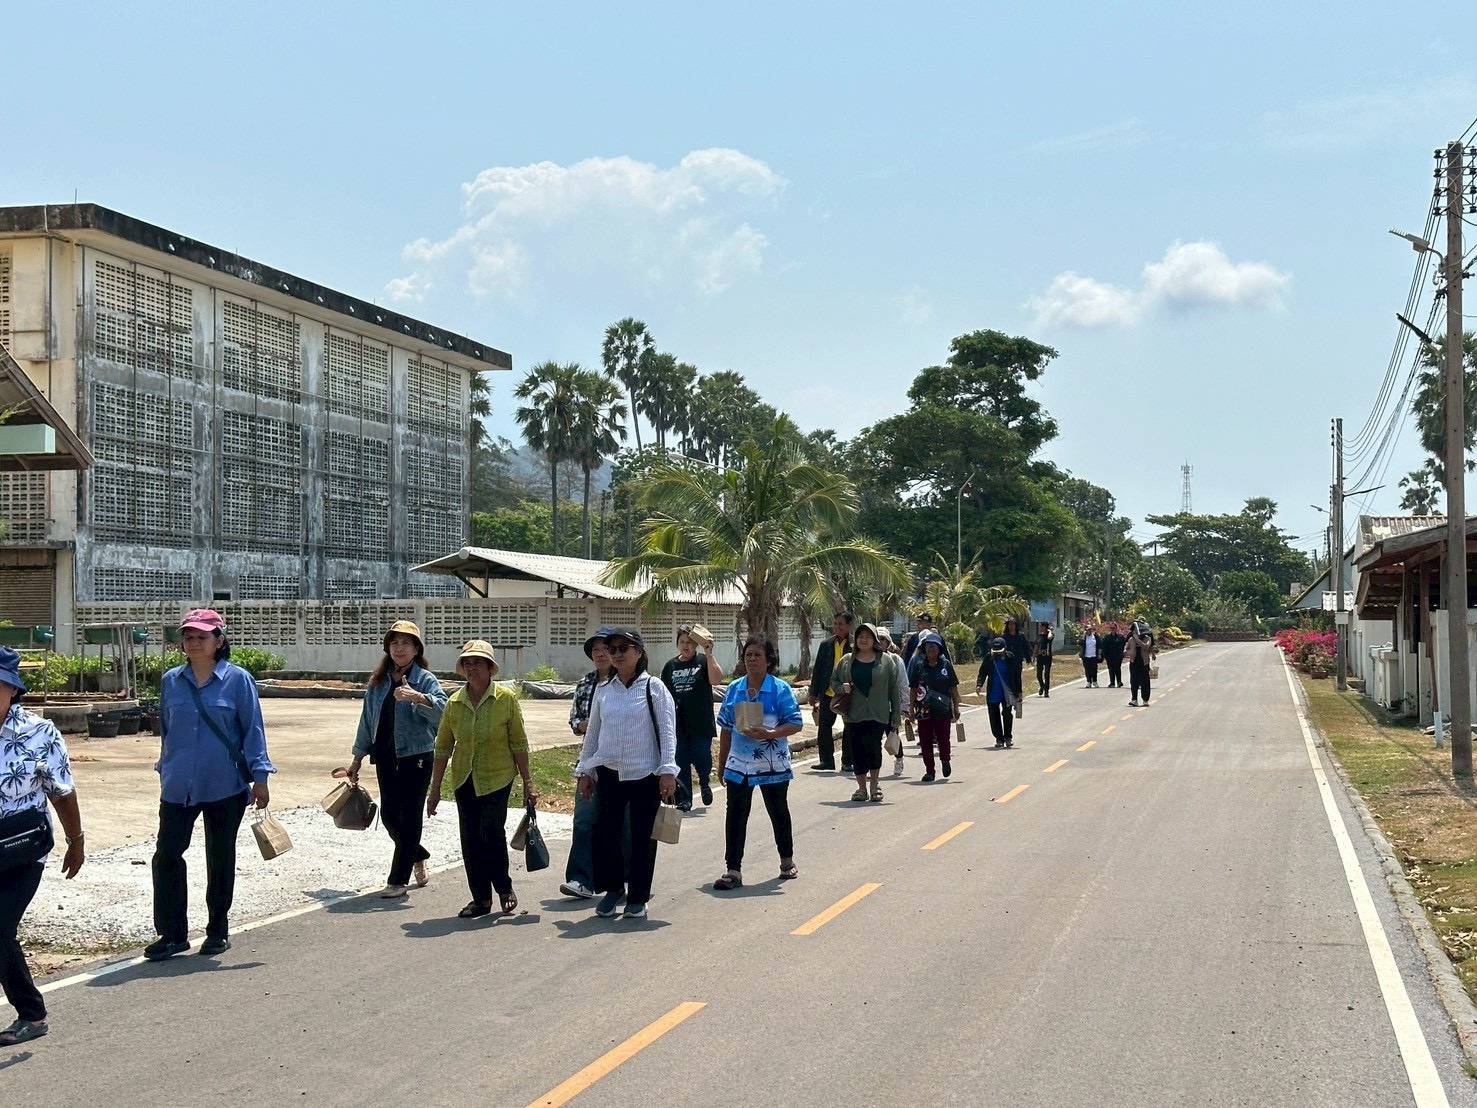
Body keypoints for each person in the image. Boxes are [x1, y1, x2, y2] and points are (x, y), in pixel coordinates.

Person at [148, 609, 274, 961]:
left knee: (219, 858)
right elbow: (167, 730)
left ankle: (217, 928)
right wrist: (164, 767)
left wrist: (260, 778)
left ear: (219, 640)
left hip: (225, 785)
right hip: (177, 785)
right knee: (167, 855)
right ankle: (172, 934)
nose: (193, 642)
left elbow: (253, 730)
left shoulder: (238, 680)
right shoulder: (171, 680)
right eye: (188, 636)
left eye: (202, 636)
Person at [0, 647, 84, 1047]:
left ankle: (31, 1014)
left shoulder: (39, 732)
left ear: (12, 690)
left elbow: (62, 792)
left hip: (21, 852)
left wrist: (76, 840)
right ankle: (31, 1012)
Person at [428, 640, 535, 920]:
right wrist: (435, 789)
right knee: (470, 839)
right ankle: (481, 899)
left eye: (478, 662)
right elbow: (442, 747)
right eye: (467, 662)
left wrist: (528, 783)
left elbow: (519, 744)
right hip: (465, 778)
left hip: (498, 777)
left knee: (491, 832)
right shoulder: (454, 702)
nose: (472, 667)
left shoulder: (506, 700)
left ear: (490, 668)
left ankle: (503, 887)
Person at [576, 628, 677, 920]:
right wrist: (586, 771)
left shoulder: (654, 687)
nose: (617, 654)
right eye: (613, 649)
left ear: (638, 652)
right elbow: (593, 734)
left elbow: (668, 732)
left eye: (623, 648)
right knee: (607, 833)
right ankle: (612, 890)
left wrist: (668, 771)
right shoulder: (604, 691)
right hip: (609, 773)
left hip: (645, 774)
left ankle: (638, 897)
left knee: (642, 837)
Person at [346, 620, 447, 898]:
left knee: (411, 816)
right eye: (394, 642)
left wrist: (418, 698)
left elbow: (443, 712)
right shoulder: (378, 682)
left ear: (416, 649)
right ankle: (418, 852)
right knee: (390, 815)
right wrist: (357, 758)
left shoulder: (425, 679)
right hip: (387, 756)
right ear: (387, 648)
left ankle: (398, 881)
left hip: (417, 756)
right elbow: (367, 720)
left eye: (406, 643)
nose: (399, 648)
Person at [712, 636, 804, 889]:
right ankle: (733, 870)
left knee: (778, 812)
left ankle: (787, 861)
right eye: (748, 655)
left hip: (772, 765)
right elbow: (727, 729)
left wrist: (771, 734)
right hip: (739, 765)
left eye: (757, 655)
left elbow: (796, 723)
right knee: (736, 816)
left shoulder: (780, 689)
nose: (751, 659)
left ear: (768, 660)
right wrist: (722, 763)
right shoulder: (734, 689)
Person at [561, 628, 617, 899]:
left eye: (605, 648)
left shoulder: (628, 683)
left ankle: (622, 879)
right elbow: (574, 720)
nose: (600, 654)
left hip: (621, 764)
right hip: (589, 762)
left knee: (619, 823)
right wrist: (582, 724)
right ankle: (579, 879)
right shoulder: (585, 683)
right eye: (595, 650)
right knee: (583, 820)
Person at [834, 624, 903, 803]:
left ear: (874, 640)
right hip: (853, 714)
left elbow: (894, 690)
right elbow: (833, 682)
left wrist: (896, 716)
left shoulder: (886, 661)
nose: (863, 640)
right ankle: (861, 788)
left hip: (878, 713)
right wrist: (842, 687)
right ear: (855, 639)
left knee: (874, 749)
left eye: (868, 636)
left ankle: (874, 787)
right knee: (857, 751)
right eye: (860, 636)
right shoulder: (847, 660)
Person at [661, 623, 725, 812]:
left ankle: (704, 782)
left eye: (689, 642)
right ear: (677, 644)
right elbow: (662, 694)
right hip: (677, 725)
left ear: (696, 645)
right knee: (680, 761)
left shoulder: (703, 662)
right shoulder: (670, 666)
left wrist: (709, 654)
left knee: (701, 757)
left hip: (701, 723)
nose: (685, 646)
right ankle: (685, 799)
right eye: (682, 642)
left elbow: (716, 680)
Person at [909, 633, 961, 782]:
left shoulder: (946, 666)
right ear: (924, 648)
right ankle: (929, 771)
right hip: (923, 710)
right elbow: (912, 688)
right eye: (928, 645)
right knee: (925, 741)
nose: (931, 648)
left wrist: (956, 707)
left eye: (934, 645)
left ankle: (945, 760)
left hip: (943, 710)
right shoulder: (918, 666)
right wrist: (911, 708)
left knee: (943, 738)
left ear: (939, 648)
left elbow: (953, 688)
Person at [808, 612, 854, 772]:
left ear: (849, 626)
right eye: (835, 623)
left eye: (840, 624)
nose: (837, 627)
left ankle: (847, 761)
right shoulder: (826, 644)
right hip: (828, 692)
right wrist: (812, 693)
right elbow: (818, 670)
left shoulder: (856, 644)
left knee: (849, 727)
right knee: (824, 726)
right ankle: (826, 760)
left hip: (849, 693)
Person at [876, 627, 910, 776]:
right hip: (873, 707)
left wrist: (905, 706)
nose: (880, 642)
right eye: (877, 639)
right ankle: (874, 767)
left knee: (892, 735)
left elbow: (903, 684)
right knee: (873, 739)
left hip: (891, 706)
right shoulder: (866, 659)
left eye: (883, 639)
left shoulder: (896, 660)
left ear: (888, 642)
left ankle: (899, 759)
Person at [978, 636, 1020, 748]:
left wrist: (1019, 692)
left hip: (1007, 692)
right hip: (993, 691)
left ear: (1005, 649)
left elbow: (1016, 675)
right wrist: (979, 684)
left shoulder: (1010, 657)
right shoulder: (989, 658)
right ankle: (999, 738)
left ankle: (1008, 737)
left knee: (1007, 714)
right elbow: (982, 672)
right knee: (993, 715)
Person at [999, 617, 1032, 699]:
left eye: (1013, 624)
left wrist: (1028, 658)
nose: (1011, 626)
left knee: (1017, 677)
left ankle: (1019, 694)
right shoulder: (1004, 637)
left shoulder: (1021, 636)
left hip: (1018, 661)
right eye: (1009, 624)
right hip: (1007, 661)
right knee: (1009, 677)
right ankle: (1010, 694)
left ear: (1016, 625)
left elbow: (1026, 647)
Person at [1127, 626, 1159, 707]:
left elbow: (1146, 646)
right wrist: (1128, 653)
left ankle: (1145, 700)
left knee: (1144, 681)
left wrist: (1138, 640)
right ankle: (1134, 699)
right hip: (1134, 662)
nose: (1135, 633)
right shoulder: (1131, 639)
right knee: (1133, 681)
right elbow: (1126, 648)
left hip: (1144, 663)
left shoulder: (1147, 638)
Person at [1033, 621, 1056, 697]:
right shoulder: (1039, 636)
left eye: (1041, 626)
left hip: (1047, 656)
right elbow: (1036, 646)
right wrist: (1034, 656)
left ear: (1045, 627)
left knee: (1046, 674)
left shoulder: (1050, 635)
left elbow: (1049, 637)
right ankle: (1042, 686)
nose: (1040, 628)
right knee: (1038, 675)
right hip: (1040, 657)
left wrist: (1050, 631)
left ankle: (1046, 691)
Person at [1102, 624, 1128, 688]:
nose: (1112, 629)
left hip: (1118, 656)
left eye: (1114, 628)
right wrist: (1105, 656)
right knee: (1111, 670)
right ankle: (1112, 683)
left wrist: (1123, 652)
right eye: (1111, 628)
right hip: (1109, 657)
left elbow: (1125, 644)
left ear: (1116, 629)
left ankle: (1119, 682)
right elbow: (1104, 647)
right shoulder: (1107, 637)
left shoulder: (1120, 637)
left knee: (1117, 669)